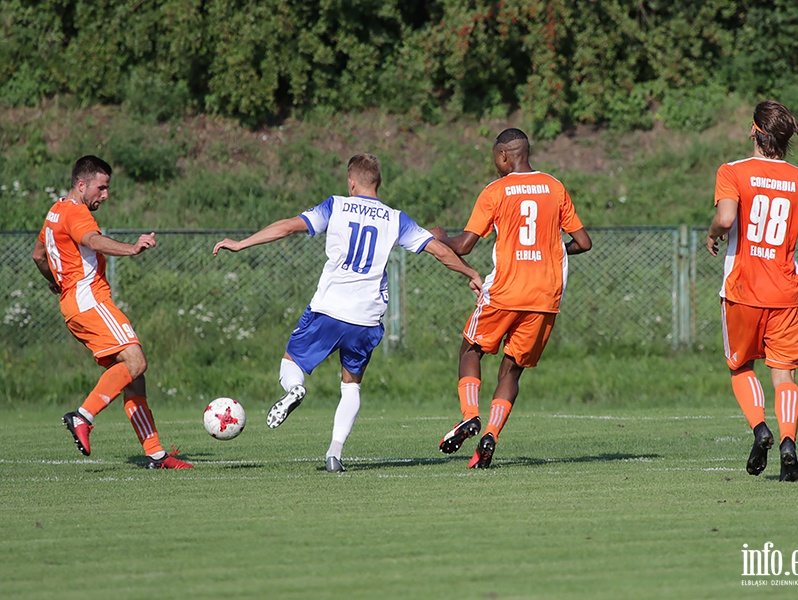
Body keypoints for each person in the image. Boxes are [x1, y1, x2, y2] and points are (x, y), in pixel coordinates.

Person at [212, 153, 483, 473]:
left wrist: (242, 243)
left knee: (291, 364)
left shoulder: (336, 205)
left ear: (352, 183)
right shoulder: (395, 218)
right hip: (366, 318)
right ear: (378, 184)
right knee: (351, 385)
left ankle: (294, 389)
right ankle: (334, 453)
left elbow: (287, 227)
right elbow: (439, 250)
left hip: (328, 308)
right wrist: (472, 274)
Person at [706, 100, 798, 482]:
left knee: (741, 367)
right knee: (784, 376)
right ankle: (789, 442)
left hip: (741, 290)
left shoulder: (733, 171)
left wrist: (712, 234)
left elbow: (725, 219)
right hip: (784, 294)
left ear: (754, 131)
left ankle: (760, 429)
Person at [431, 128, 593, 468]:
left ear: (505, 155)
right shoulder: (554, 186)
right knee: (512, 371)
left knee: (470, 349)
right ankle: (490, 434)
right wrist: (554, 251)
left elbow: (464, 245)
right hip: (545, 297)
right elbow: (583, 242)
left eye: (495, 158)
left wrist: (439, 237)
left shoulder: (496, 191)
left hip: (506, 290)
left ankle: (470, 415)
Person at [32, 155, 193, 469]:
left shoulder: (56, 211)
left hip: (73, 306)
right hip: (91, 301)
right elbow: (92, 239)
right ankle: (83, 416)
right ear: (82, 184)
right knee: (136, 360)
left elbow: (39, 256)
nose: (105, 195)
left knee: (134, 377)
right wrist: (132, 249)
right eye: (101, 188)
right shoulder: (77, 213)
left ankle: (156, 454)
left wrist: (57, 281)